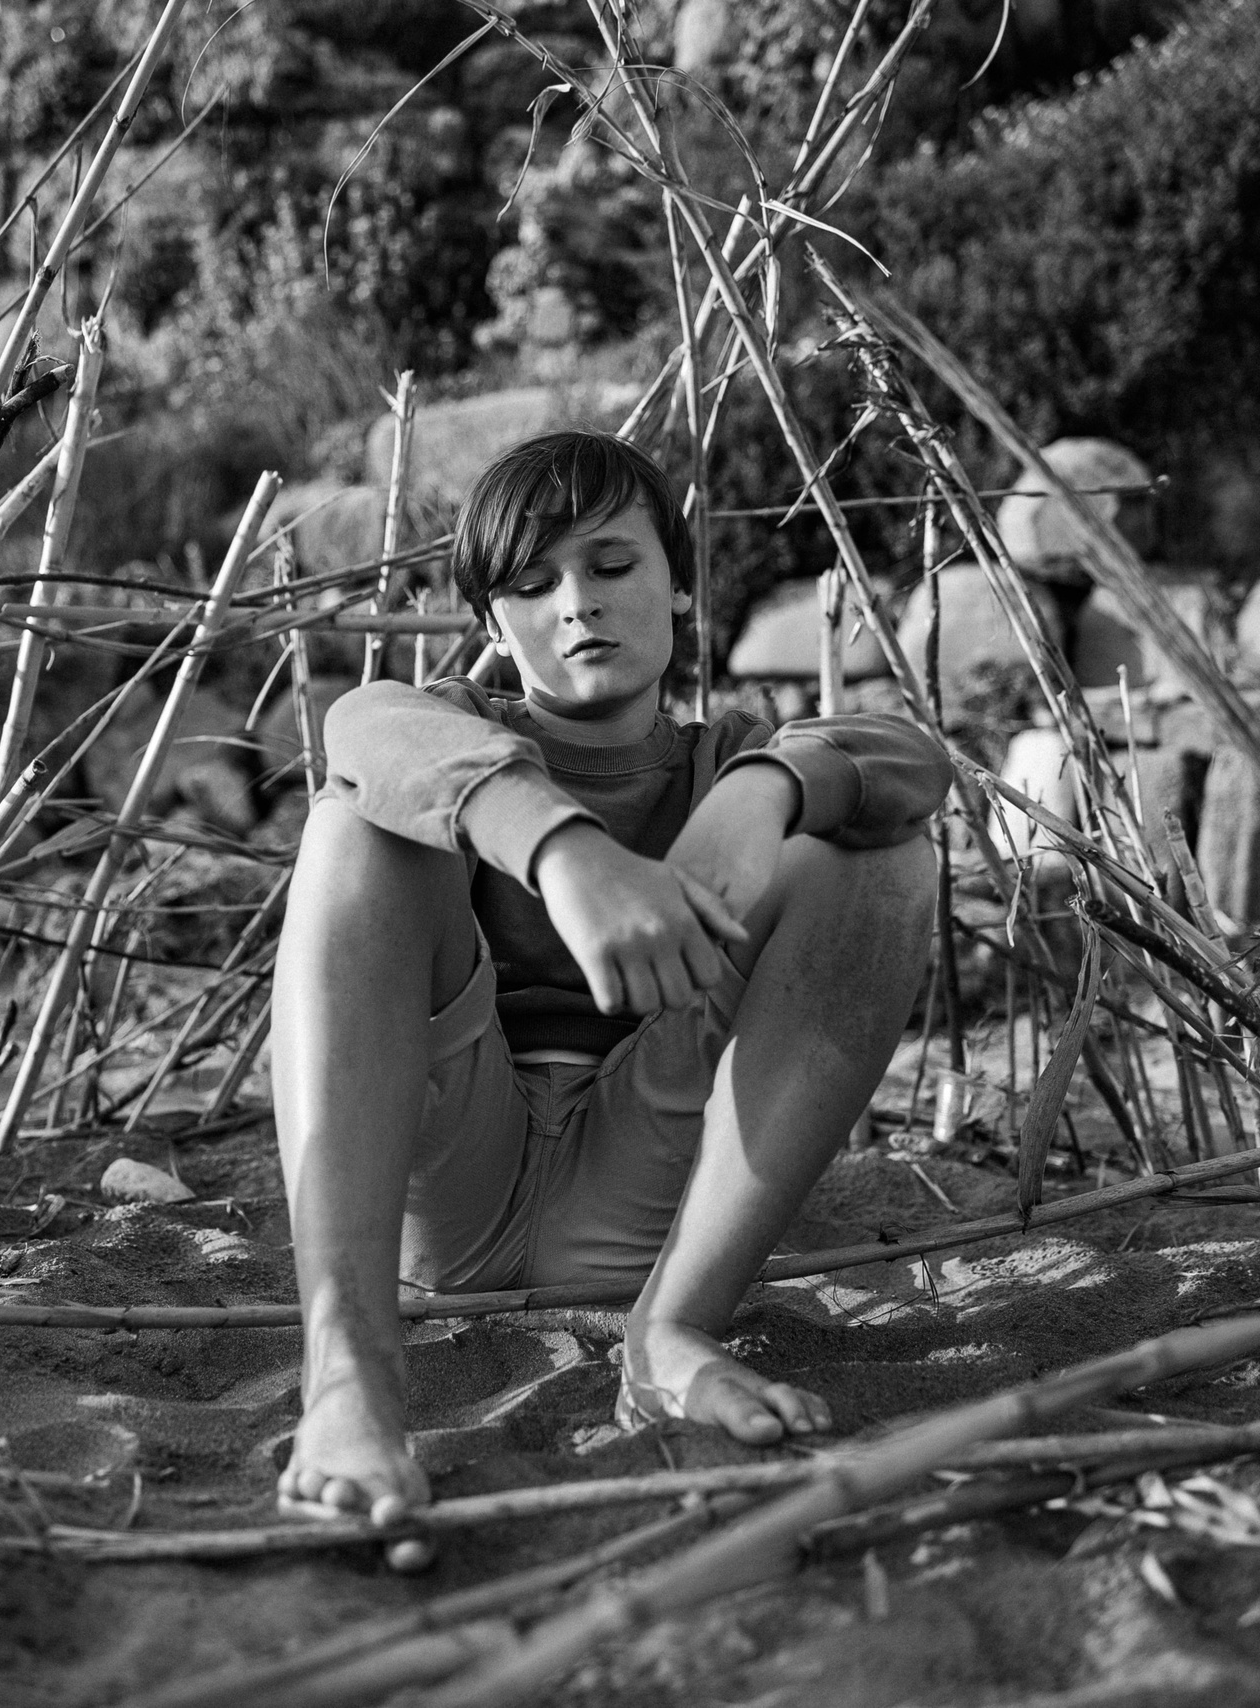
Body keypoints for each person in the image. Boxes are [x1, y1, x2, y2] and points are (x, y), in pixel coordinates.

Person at [270, 430, 950, 1546]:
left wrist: (768, 787)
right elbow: (364, 724)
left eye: (612, 565)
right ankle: (349, 1380)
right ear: (493, 627)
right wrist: (558, 849)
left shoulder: (726, 754)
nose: (575, 603)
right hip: (446, 1198)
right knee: (358, 824)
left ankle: (672, 1335)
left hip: (642, 1214)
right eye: (531, 586)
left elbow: (915, 761)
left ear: (680, 587)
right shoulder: (456, 729)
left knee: (877, 856)